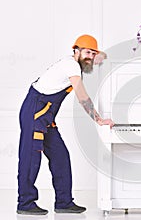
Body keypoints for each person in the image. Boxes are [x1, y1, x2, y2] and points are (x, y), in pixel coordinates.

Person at [17, 34, 114, 215]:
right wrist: (99, 120)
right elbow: (82, 97)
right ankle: (25, 202)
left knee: (60, 156)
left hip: (46, 116)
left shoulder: (76, 66)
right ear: (75, 50)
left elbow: (102, 58)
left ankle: (64, 202)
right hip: (34, 112)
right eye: (87, 52)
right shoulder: (71, 66)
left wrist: (100, 56)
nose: (90, 57)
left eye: (93, 54)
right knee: (31, 158)